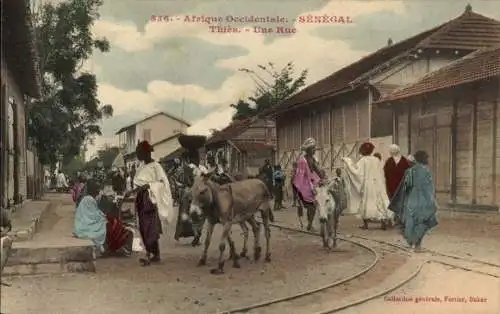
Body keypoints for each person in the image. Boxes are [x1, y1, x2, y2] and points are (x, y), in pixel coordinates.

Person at [124, 141, 174, 266]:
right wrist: (133, 192)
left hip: (150, 199)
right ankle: (150, 252)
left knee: (150, 227)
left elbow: (163, 183)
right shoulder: (141, 167)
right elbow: (138, 184)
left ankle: (154, 254)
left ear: (146, 153)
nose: (138, 155)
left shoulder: (156, 166)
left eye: (140, 153)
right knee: (142, 226)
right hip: (141, 199)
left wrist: (148, 186)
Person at [388, 150, 438, 252]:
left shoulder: (410, 171)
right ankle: (418, 246)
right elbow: (430, 188)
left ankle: (411, 243)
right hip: (424, 200)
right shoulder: (426, 171)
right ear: (424, 159)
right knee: (423, 222)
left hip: (412, 200)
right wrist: (432, 201)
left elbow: (405, 187)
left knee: (411, 222)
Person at [74, 179, 133, 256]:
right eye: (98, 189)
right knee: (113, 225)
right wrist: (103, 216)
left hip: (86, 223)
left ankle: (115, 247)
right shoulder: (89, 199)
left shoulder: (87, 199)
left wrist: (103, 216)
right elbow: (93, 215)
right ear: (94, 190)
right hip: (88, 225)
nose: (99, 191)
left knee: (113, 222)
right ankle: (115, 247)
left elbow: (94, 213)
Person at [342, 142, 393, 230]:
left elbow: (357, 172)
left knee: (366, 202)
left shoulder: (363, 160)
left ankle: (365, 224)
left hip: (368, 185)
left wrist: (348, 163)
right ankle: (383, 223)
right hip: (378, 184)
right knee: (379, 202)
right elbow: (381, 173)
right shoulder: (376, 160)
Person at [293, 138, 324, 231]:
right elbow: (299, 175)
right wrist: (298, 189)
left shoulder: (313, 159)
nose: (315, 150)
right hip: (303, 186)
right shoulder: (303, 160)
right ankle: (310, 225)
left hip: (311, 184)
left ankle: (310, 224)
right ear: (309, 149)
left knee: (314, 206)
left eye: (315, 148)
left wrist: (323, 177)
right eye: (313, 148)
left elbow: (317, 170)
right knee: (312, 206)